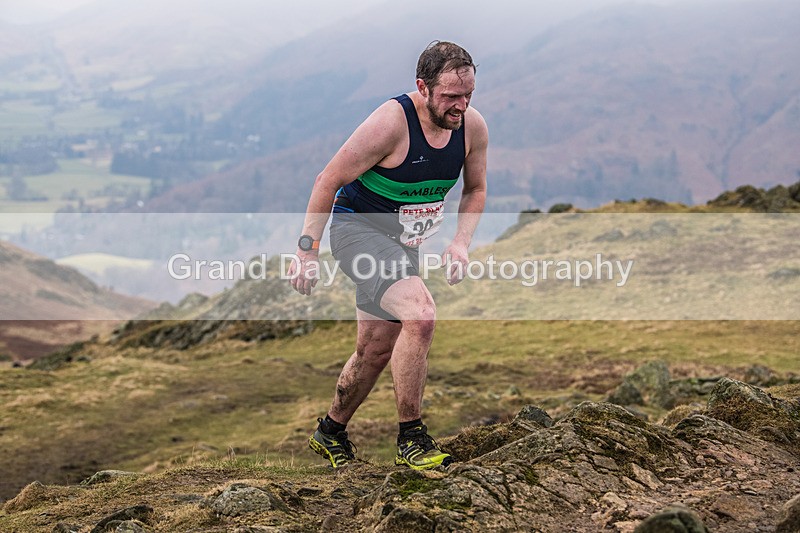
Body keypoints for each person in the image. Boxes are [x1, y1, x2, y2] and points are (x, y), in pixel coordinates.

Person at [288, 41, 488, 470]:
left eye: (469, 95)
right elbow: (328, 179)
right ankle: (411, 438)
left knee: (376, 349)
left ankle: (330, 431)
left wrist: (460, 243)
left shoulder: (472, 127)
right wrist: (307, 252)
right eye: (451, 96)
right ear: (423, 87)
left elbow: (475, 188)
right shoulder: (390, 123)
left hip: (402, 245)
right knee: (421, 314)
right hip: (356, 231)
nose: (461, 106)